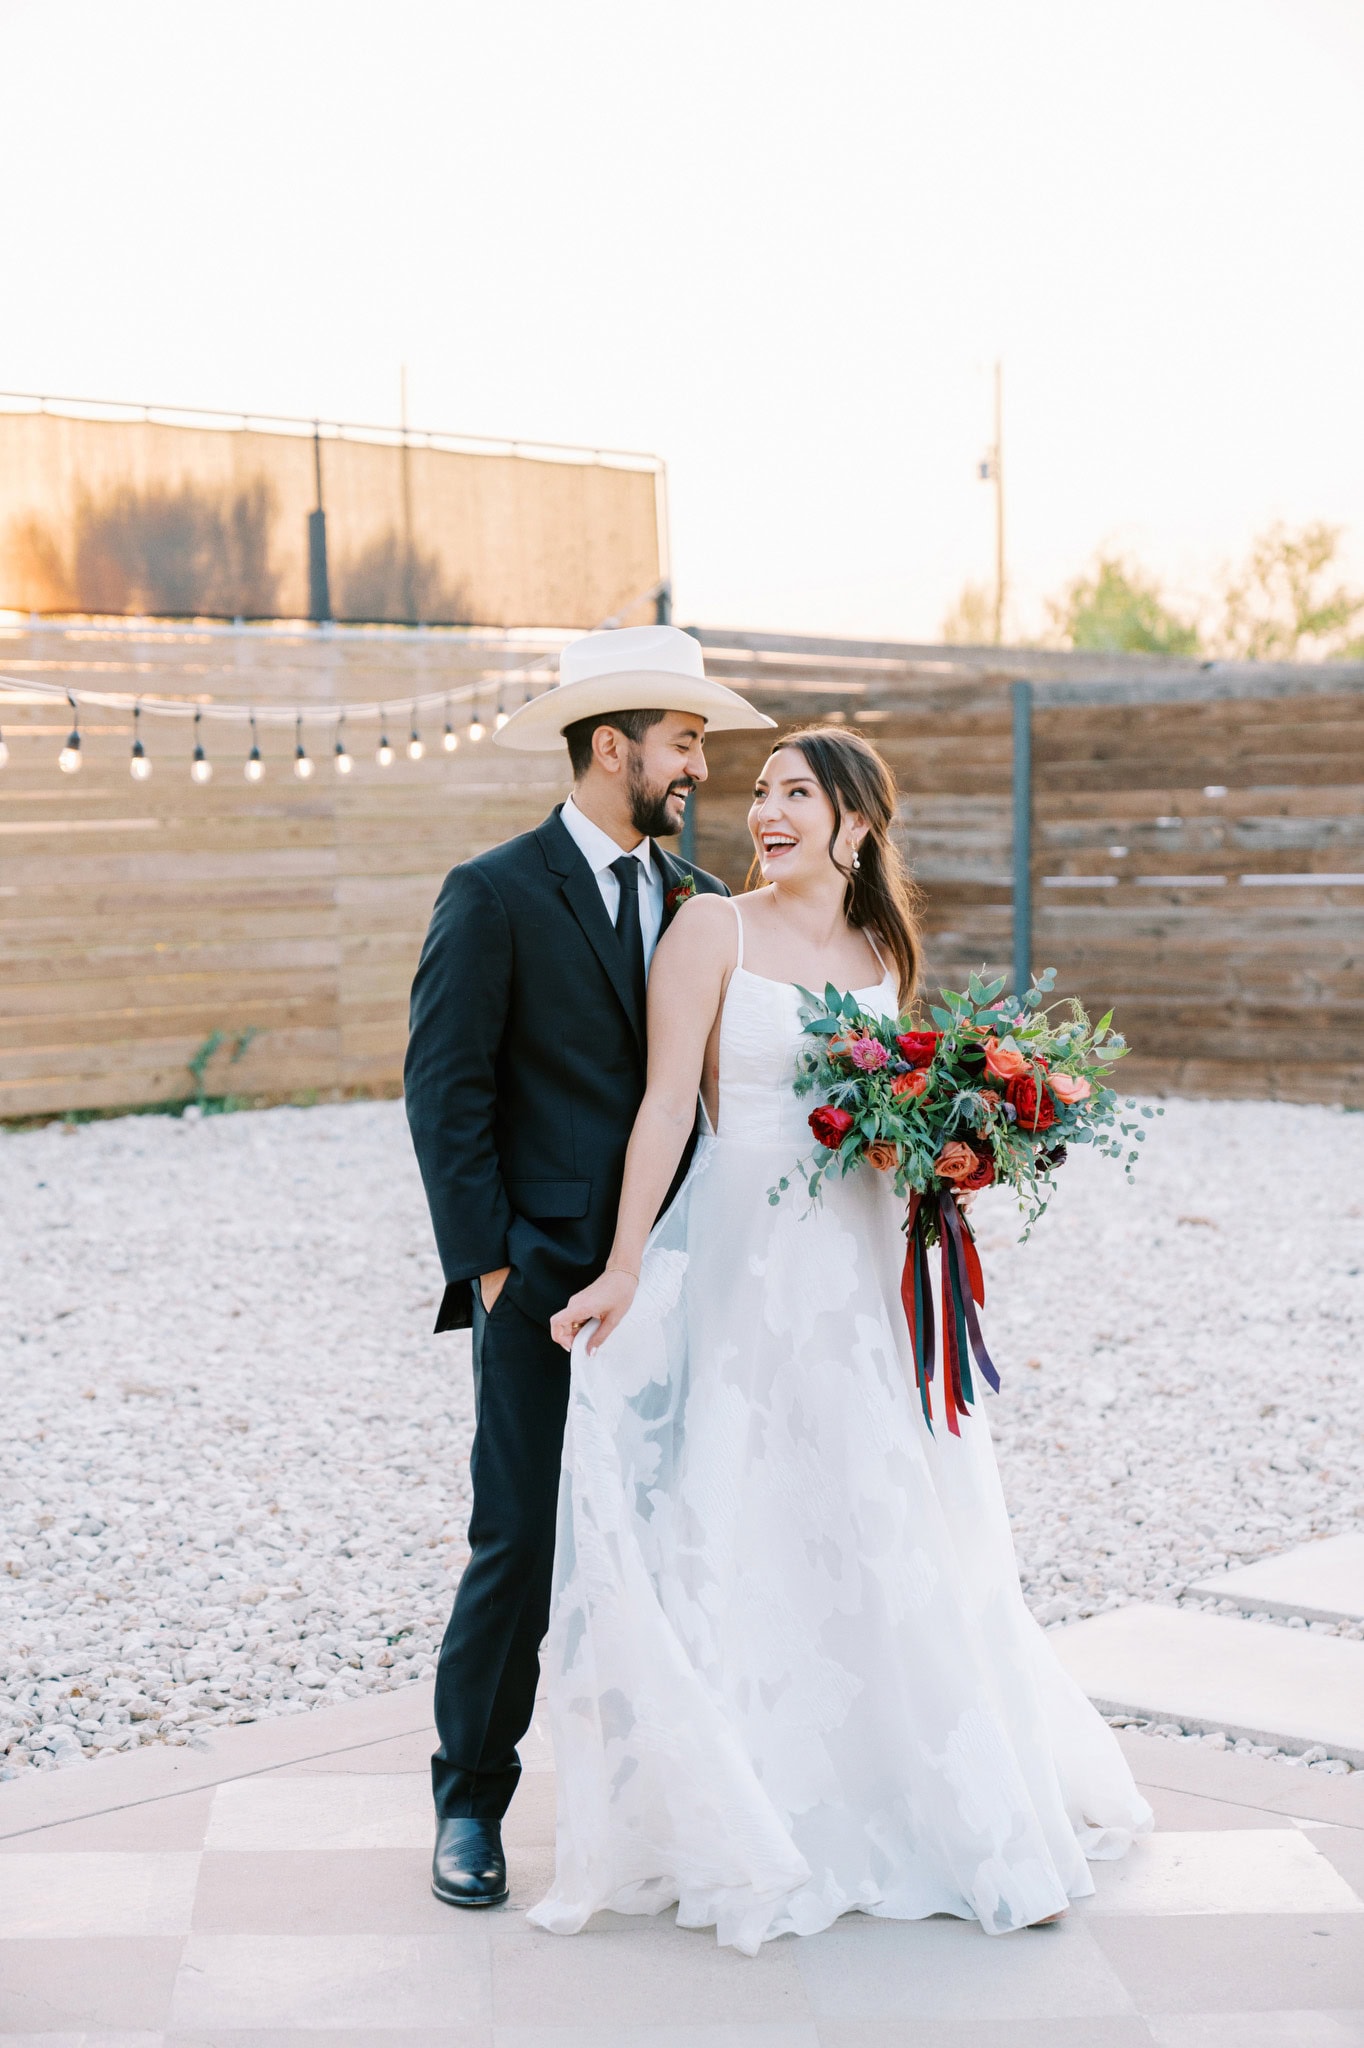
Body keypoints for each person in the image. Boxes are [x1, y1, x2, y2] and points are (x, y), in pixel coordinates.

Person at [536, 724, 1153, 1953]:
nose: (765, 811)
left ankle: (958, 1806)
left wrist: (955, 1153)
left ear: (856, 823)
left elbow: (895, 1105)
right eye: (759, 792)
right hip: (748, 1264)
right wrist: (618, 1265)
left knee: (890, 1510)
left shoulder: (882, 946)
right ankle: (755, 1809)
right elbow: (667, 1103)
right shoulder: (709, 927)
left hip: (869, 1261)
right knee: (753, 1500)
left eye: (794, 794)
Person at [404, 623, 775, 1909]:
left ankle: (658, 1793)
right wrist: (494, 1271)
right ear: (611, 745)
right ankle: (469, 1798)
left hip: (681, 1278)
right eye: (684, 740)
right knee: (519, 1540)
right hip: (546, 1284)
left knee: (676, 1532)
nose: (700, 764)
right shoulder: (493, 890)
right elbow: (442, 1092)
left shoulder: (698, 898)